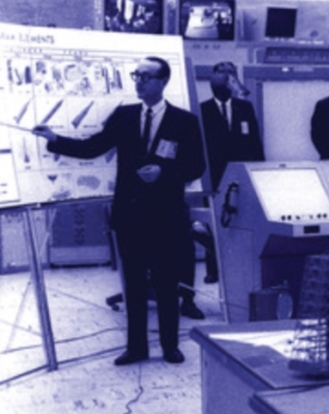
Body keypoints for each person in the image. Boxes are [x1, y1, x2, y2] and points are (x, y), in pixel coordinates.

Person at [33, 56, 206, 366]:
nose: (139, 81)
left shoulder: (185, 121)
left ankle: (170, 346)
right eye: (136, 75)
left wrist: (164, 172)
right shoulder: (124, 116)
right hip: (130, 215)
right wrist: (55, 140)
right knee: (134, 285)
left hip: (166, 216)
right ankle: (136, 348)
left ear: (163, 81)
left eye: (146, 76)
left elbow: (196, 166)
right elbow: (93, 147)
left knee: (167, 284)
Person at [196, 61, 265, 283]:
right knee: (214, 224)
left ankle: (239, 265)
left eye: (230, 75)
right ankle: (213, 269)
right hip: (214, 176)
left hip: (241, 176)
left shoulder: (245, 108)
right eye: (222, 75)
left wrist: (260, 172)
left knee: (241, 221)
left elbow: (255, 142)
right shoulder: (201, 110)